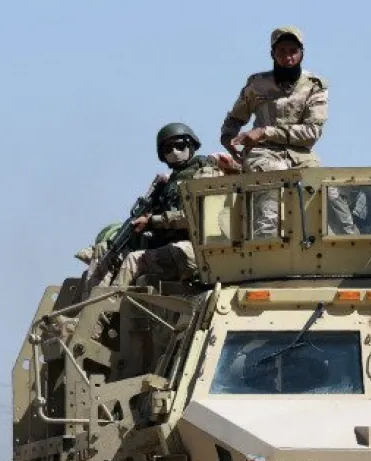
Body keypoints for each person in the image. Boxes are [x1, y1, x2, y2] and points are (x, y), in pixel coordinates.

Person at [218, 26, 353, 239]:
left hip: (301, 155)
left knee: (331, 195)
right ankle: (267, 247)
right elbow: (235, 118)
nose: (288, 57)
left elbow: (312, 131)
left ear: (302, 53)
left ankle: (351, 243)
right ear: (273, 54)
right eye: (281, 51)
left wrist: (265, 131)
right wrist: (228, 138)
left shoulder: (314, 86)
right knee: (272, 185)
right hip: (263, 153)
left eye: (293, 51)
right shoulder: (257, 84)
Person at [107, 122, 240, 289]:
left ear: (191, 146)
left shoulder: (206, 174)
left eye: (180, 146)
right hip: (175, 247)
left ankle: (106, 305)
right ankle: (89, 302)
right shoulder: (170, 182)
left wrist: (152, 221)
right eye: (168, 149)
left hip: (200, 249)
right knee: (107, 255)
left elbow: (197, 217)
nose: (175, 152)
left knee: (133, 261)